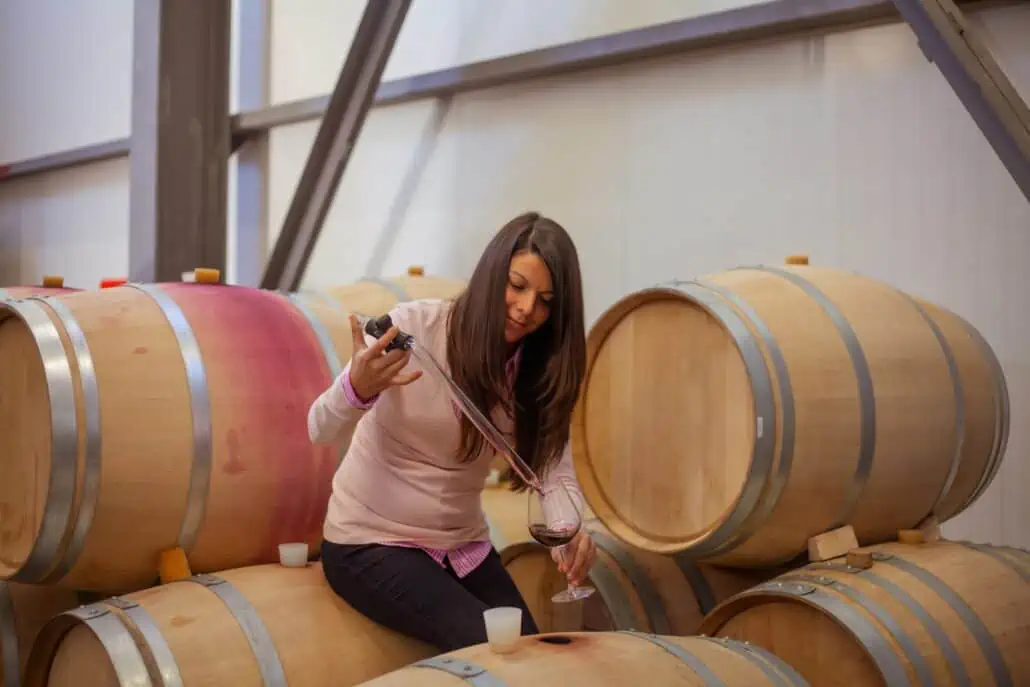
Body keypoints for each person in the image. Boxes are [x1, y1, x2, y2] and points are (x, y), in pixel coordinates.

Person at [307, 211, 598, 652]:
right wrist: (357, 389)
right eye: (517, 286)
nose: (526, 309)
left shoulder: (538, 370)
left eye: (545, 300)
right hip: (370, 542)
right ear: (490, 274)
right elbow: (319, 428)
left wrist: (569, 528)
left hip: (464, 549)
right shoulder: (413, 329)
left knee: (536, 654)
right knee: (496, 651)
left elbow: (554, 468)